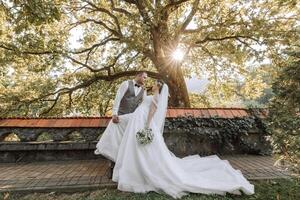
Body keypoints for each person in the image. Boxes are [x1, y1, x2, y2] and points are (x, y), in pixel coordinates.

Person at [110, 80, 255, 199]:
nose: (152, 84)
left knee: (145, 150)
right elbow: (140, 104)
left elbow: (152, 111)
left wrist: (147, 126)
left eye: (155, 83)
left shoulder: (156, 96)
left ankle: (142, 171)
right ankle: (137, 169)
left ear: (158, 86)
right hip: (137, 120)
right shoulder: (150, 94)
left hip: (144, 122)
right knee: (138, 149)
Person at [94, 72, 147, 162]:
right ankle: (112, 162)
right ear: (138, 76)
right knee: (115, 139)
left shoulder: (143, 90)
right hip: (120, 117)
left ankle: (125, 162)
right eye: (144, 77)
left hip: (131, 119)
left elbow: (142, 105)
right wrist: (114, 114)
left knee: (127, 141)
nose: (145, 79)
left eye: (146, 78)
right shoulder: (126, 84)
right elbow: (118, 98)